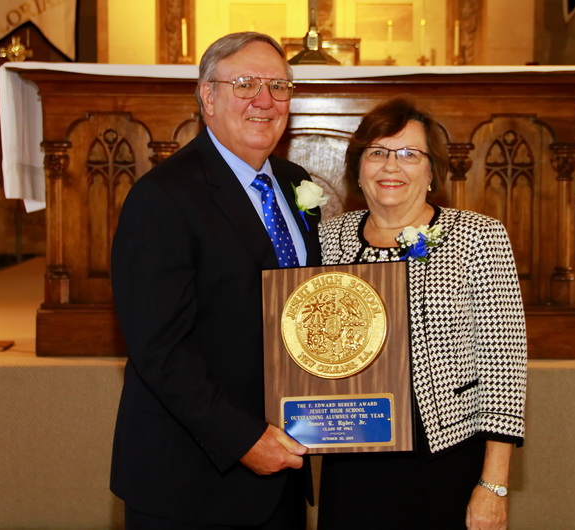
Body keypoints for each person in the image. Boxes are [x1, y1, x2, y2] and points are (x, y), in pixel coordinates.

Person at [109, 32, 322, 529]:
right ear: (208, 96)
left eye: (278, 85)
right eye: (245, 84)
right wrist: (244, 439)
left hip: (284, 468)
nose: (265, 101)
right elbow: (159, 348)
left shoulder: (295, 182)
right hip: (192, 480)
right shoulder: (162, 197)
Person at [317, 98, 527, 530]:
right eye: (377, 152)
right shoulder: (327, 239)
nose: (391, 166)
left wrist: (494, 485)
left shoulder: (477, 237)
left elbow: (503, 366)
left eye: (410, 154)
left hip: (445, 457)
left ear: (432, 172)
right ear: (357, 167)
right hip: (352, 454)